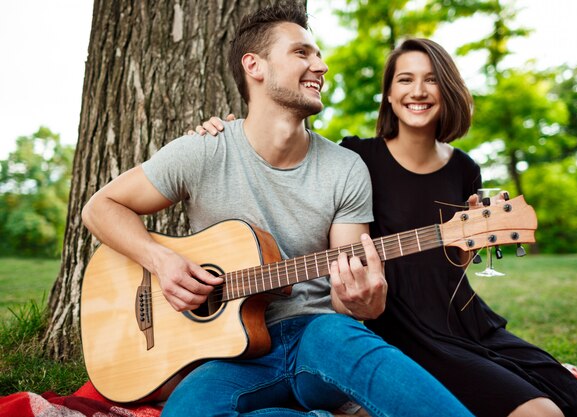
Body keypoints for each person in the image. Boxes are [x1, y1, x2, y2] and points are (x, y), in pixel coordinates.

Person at [81, 3, 474, 417]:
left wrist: (363, 302)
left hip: (319, 337)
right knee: (187, 412)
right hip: (229, 355)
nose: (320, 65)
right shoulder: (204, 150)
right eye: (302, 53)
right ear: (255, 66)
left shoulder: (345, 168)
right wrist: (161, 261)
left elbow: (347, 297)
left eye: (318, 55)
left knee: (347, 342)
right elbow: (100, 207)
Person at [197, 38, 577, 417]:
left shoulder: (465, 167)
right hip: (400, 328)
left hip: (463, 316)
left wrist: (464, 251)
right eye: (405, 79)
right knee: (539, 412)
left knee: (576, 403)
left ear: (448, 89)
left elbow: (449, 262)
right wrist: (230, 131)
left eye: (431, 79)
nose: (418, 91)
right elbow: (284, 150)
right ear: (389, 95)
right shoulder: (356, 157)